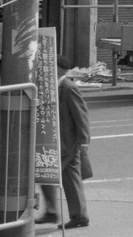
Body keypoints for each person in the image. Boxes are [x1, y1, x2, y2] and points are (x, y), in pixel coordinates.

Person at [37, 56, 91, 229]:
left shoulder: (68, 87)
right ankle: (55, 212)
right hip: (55, 141)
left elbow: (81, 115)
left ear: (60, 69)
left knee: (67, 176)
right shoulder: (53, 86)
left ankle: (78, 216)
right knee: (46, 173)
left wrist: (83, 141)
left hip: (68, 142)